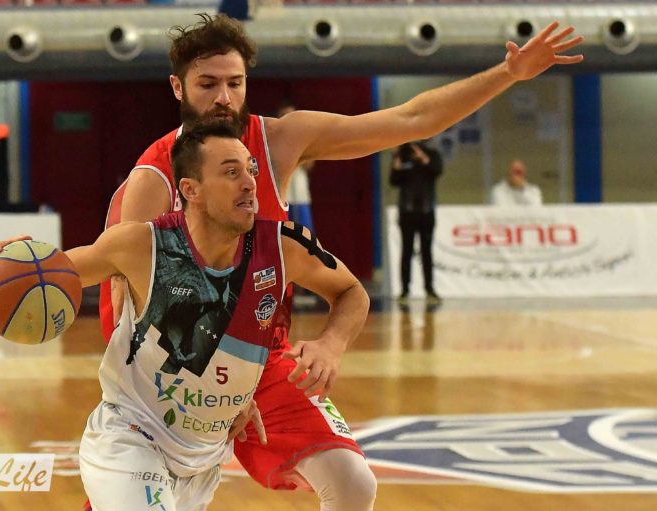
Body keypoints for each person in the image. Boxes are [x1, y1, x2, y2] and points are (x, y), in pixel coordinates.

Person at [99, 13, 582, 509]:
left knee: (353, 482)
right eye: (208, 84)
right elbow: (126, 315)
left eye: (235, 82)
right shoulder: (154, 179)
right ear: (178, 87)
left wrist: (507, 74)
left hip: (262, 360)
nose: (223, 96)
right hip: (171, 377)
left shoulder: (280, 141)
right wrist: (209, 394)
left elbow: (412, 119)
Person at [0, 123, 370, 511]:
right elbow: (54, 273)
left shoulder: (285, 246)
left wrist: (331, 344)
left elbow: (351, 291)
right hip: (131, 438)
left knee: (355, 485)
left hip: (203, 457)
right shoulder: (141, 245)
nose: (250, 183)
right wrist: (16, 262)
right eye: (231, 173)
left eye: (251, 169)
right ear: (190, 189)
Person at [389, 141, 443, 303]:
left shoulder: (432, 155)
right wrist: (396, 159)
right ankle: (404, 290)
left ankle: (429, 289)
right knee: (406, 251)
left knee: (427, 252)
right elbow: (394, 181)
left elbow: (436, 171)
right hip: (407, 211)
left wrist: (422, 157)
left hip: (426, 211)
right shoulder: (403, 156)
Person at [277, 100, 314, 231]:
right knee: (284, 235)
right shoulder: (274, 140)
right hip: (283, 198)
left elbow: (309, 164)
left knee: (306, 235)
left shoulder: (302, 138)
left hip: (300, 196)